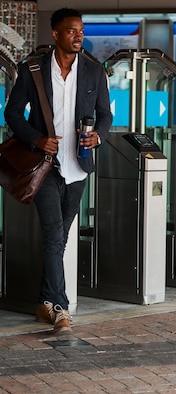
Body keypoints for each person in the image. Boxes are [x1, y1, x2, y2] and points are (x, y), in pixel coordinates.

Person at [5, 8, 112, 334]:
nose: (78, 36)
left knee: (60, 239)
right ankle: (61, 309)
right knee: (54, 236)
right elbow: (12, 113)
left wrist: (98, 137)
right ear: (55, 34)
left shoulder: (94, 71)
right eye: (71, 31)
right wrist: (37, 138)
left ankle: (44, 303)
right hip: (46, 168)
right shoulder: (32, 69)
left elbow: (105, 115)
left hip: (78, 167)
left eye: (81, 31)